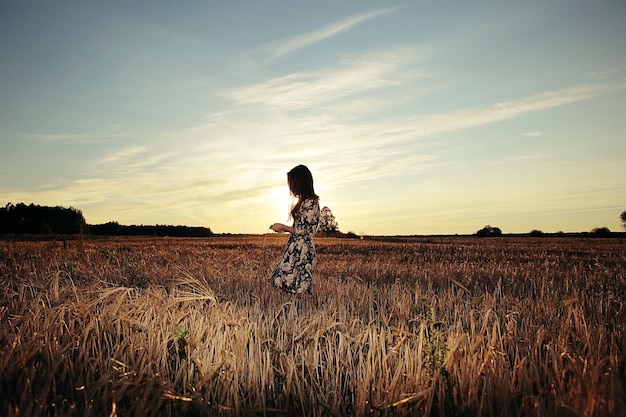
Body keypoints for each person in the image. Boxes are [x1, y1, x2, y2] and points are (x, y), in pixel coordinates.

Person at [268, 164, 320, 296]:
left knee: (300, 290)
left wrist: (283, 227)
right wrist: (284, 229)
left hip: (303, 251)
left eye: (292, 183)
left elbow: (304, 231)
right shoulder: (303, 201)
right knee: (281, 283)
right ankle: (292, 314)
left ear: (300, 182)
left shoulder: (311, 202)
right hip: (295, 249)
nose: (291, 187)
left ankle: (307, 315)